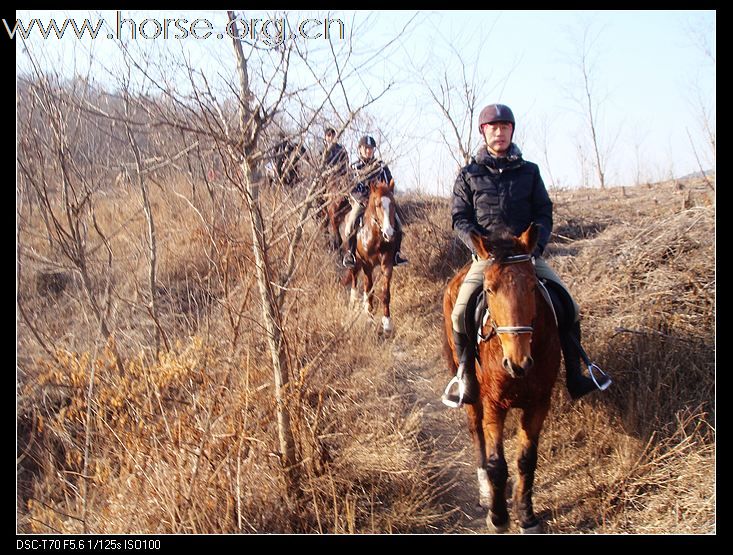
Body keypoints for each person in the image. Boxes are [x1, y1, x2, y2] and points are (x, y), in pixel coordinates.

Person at [443, 103, 611, 407]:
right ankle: (465, 378)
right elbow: (459, 217)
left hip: (525, 258)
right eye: (493, 128)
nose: (499, 132)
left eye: (505, 127)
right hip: (488, 260)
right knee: (460, 312)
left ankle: (576, 374)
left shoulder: (529, 171)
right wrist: (478, 243)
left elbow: (544, 212)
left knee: (568, 305)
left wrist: (535, 245)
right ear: (484, 133)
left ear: (511, 132)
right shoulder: (469, 175)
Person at [342, 135, 409, 268]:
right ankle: (350, 254)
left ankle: (396, 255)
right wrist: (362, 199)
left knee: (398, 223)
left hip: (381, 202)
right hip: (362, 202)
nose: (368, 151)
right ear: (360, 149)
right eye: (366, 148)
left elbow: (389, 181)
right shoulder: (354, 167)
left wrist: (387, 196)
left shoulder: (381, 166)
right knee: (350, 224)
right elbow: (351, 187)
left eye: (371, 149)